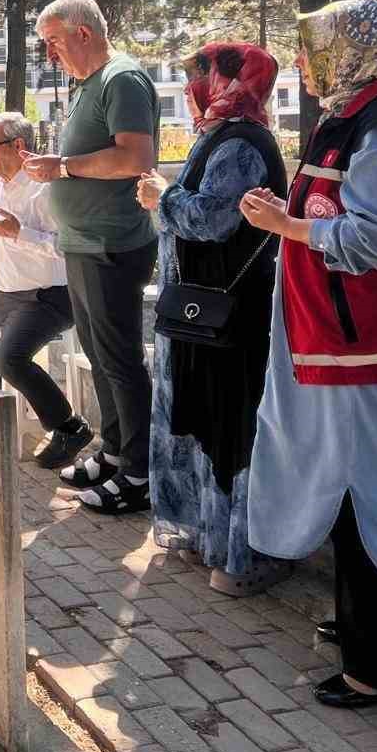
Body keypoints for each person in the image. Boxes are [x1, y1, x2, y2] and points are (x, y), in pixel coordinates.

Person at [241, 0, 377, 709]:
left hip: (373, 350)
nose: (301, 62)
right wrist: (291, 222)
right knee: (354, 495)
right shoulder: (350, 119)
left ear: (351, 51)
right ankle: (364, 626)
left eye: (312, 48)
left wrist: (286, 226)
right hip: (342, 345)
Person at [137, 43, 289, 596]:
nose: (191, 86)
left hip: (233, 314)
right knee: (202, 421)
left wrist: (162, 196)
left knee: (229, 427)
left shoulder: (244, 144)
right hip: (204, 310)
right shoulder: (219, 135)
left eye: (199, 74)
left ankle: (238, 556)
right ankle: (210, 537)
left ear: (230, 80)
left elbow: (214, 219)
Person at [25, 0, 159, 515]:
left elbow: (135, 157)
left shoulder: (122, 79)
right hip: (83, 243)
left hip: (111, 244)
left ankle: (140, 473)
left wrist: (62, 168)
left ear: (84, 32)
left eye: (55, 42)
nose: (51, 55)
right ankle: (115, 450)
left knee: (121, 359)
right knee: (100, 358)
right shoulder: (89, 86)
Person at [0, 112, 94, 468]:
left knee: (8, 358)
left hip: (46, 298)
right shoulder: (4, 182)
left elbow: (69, 245)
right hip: (2, 296)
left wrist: (21, 233)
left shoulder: (45, 188)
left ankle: (69, 426)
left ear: (18, 146)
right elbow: (7, 240)